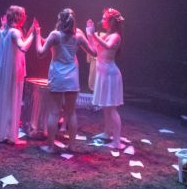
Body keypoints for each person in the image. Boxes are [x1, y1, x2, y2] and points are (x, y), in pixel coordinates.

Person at [34, 8, 96, 153]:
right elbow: (94, 52)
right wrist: (91, 35)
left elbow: (40, 53)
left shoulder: (55, 35)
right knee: (71, 112)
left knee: (54, 112)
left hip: (58, 76)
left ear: (60, 20)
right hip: (72, 77)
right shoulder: (78, 36)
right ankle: (71, 146)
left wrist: (37, 35)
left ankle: (50, 146)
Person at [0, 6, 35, 145]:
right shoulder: (15, 32)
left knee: (2, 99)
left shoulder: (4, 31)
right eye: (24, 15)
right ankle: (9, 135)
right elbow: (23, 47)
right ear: (19, 17)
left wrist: (2, 34)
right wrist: (33, 35)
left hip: (3, 71)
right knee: (11, 99)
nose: (26, 17)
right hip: (12, 71)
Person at [87, 8, 126, 150]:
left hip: (111, 75)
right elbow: (95, 49)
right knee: (105, 107)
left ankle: (117, 141)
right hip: (103, 74)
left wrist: (93, 34)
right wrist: (88, 33)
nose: (102, 20)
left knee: (112, 108)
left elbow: (107, 46)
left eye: (104, 18)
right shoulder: (107, 35)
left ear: (111, 21)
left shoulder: (115, 36)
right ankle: (106, 133)